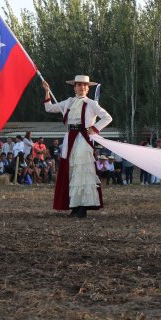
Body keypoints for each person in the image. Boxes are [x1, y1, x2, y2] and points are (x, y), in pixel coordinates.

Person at [42, 75, 113, 218]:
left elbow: (107, 117)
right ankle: (75, 206)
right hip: (70, 139)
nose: (82, 87)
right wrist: (47, 91)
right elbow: (49, 108)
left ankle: (82, 208)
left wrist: (94, 128)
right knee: (72, 172)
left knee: (83, 172)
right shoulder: (68, 102)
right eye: (79, 85)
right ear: (74, 87)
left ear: (88, 88)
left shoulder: (92, 104)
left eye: (85, 85)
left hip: (83, 139)